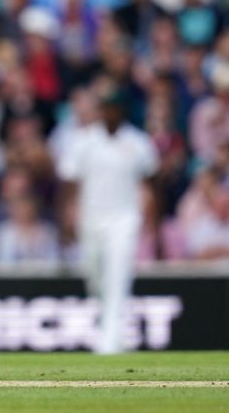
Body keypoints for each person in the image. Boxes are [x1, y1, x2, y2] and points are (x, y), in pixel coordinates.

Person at [56, 87, 159, 354]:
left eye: (115, 109)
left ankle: (110, 342)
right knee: (95, 277)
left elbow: (150, 185)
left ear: (122, 112)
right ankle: (112, 330)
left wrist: (152, 224)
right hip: (90, 219)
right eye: (106, 108)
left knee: (118, 275)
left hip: (125, 220)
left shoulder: (138, 143)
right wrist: (66, 222)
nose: (110, 114)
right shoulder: (84, 141)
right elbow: (69, 185)